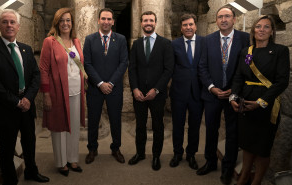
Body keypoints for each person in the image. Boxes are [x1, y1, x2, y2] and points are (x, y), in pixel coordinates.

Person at [0, 9, 49, 184]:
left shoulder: (25, 49)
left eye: (12, 22)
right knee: (7, 148)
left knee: (29, 142)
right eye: (5, 22)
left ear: (18, 27)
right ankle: (10, 181)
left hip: (27, 105)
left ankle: (31, 171)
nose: (9, 25)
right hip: (6, 108)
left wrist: (28, 98)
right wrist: (17, 102)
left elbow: (35, 76)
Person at [230, 15, 290, 185]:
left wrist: (261, 102)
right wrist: (233, 97)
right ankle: (243, 177)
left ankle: (256, 181)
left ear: (272, 31)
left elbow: (282, 81)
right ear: (253, 30)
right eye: (258, 26)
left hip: (267, 105)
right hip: (246, 103)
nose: (261, 30)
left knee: (262, 148)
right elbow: (238, 78)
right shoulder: (246, 52)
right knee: (248, 144)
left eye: (266, 27)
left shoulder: (280, 51)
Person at [198, 6, 250, 184]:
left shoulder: (245, 39)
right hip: (212, 94)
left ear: (234, 19)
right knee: (210, 130)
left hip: (234, 95)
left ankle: (227, 167)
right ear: (216, 20)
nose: (223, 19)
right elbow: (202, 66)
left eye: (227, 16)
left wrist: (234, 90)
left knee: (232, 132)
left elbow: (247, 67)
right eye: (220, 17)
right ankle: (210, 161)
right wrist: (212, 87)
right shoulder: (207, 40)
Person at [39, 8, 86, 176]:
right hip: (58, 91)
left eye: (68, 20)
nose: (65, 23)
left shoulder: (77, 41)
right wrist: (46, 94)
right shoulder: (50, 42)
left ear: (72, 23)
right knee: (59, 128)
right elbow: (43, 69)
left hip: (76, 91)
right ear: (57, 23)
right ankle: (61, 162)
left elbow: (80, 65)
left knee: (73, 127)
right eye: (62, 20)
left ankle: (72, 159)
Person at [128, 11, 174, 171]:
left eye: (151, 20)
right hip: (139, 94)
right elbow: (132, 68)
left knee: (157, 125)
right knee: (140, 125)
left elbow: (168, 70)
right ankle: (140, 153)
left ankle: (156, 156)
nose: (148, 23)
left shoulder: (165, 44)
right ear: (141, 23)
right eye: (145, 20)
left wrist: (157, 89)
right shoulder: (136, 44)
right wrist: (134, 88)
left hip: (157, 94)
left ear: (155, 22)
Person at [83, 8, 128, 164]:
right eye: (103, 19)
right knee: (93, 120)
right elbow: (87, 64)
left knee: (116, 120)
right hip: (95, 88)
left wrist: (111, 83)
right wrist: (101, 83)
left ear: (113, 21)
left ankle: (116, 148)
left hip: (114, 89)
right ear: (98, 20)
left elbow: (123, 63)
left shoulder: (121, 39)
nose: (106, 22)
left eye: (109, 19)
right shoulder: (89, 39)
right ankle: (92, 149)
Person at [169, 14, 204, 170]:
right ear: (181, 28)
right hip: (178, 92)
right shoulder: (174, 44)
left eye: (190, 24)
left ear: (195, 26)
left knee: (195, 126)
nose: (188, 27)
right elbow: (169, 67)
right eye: (185, 25)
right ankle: (177, 153)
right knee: (177, 125)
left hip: (198, 92)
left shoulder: (204, 42)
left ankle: (191, 154)